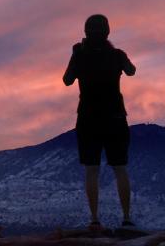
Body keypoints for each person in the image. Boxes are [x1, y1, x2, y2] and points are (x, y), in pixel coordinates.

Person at [62, 13, 137, 231]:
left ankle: (94, 220)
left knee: (91, 169)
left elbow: (67, 80)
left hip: (88, 117)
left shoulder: (80, 55)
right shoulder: (116, 54)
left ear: (86, 32)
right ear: (107, 32)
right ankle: (126, 219)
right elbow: (132, 71)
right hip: (115, 117)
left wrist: (76, 54)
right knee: (120, 168)